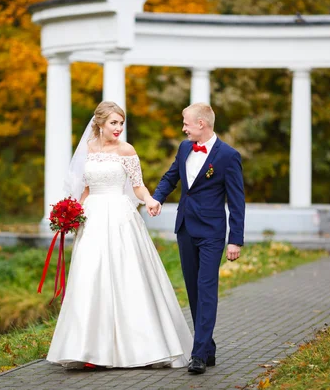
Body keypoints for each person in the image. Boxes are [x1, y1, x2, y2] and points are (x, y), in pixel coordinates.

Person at [46, 101, 193, 369]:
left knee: (127, 275)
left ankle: (142, 347)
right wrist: (71, 213)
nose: (118, 128)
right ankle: (87, 350)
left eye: (121, 123)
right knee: (90, 277)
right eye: (113, 123)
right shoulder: (88, 150)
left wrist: (149, 200)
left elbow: (137, 186)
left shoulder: (127, 150)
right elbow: (86, 189)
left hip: (120, 216)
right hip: (92, 218)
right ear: (99, 124)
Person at [151, 102, 245, 374]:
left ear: (201, 124)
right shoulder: (184, 148)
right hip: (185, 230)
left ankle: (199, 354)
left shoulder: (228, 156)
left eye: (186, 123)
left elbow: (237, 202)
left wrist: (235, 239)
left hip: (212, 234)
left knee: (206, 289)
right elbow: (171, 177)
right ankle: (208, 347)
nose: (183, 128)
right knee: (193, 290)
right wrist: (157, 198)